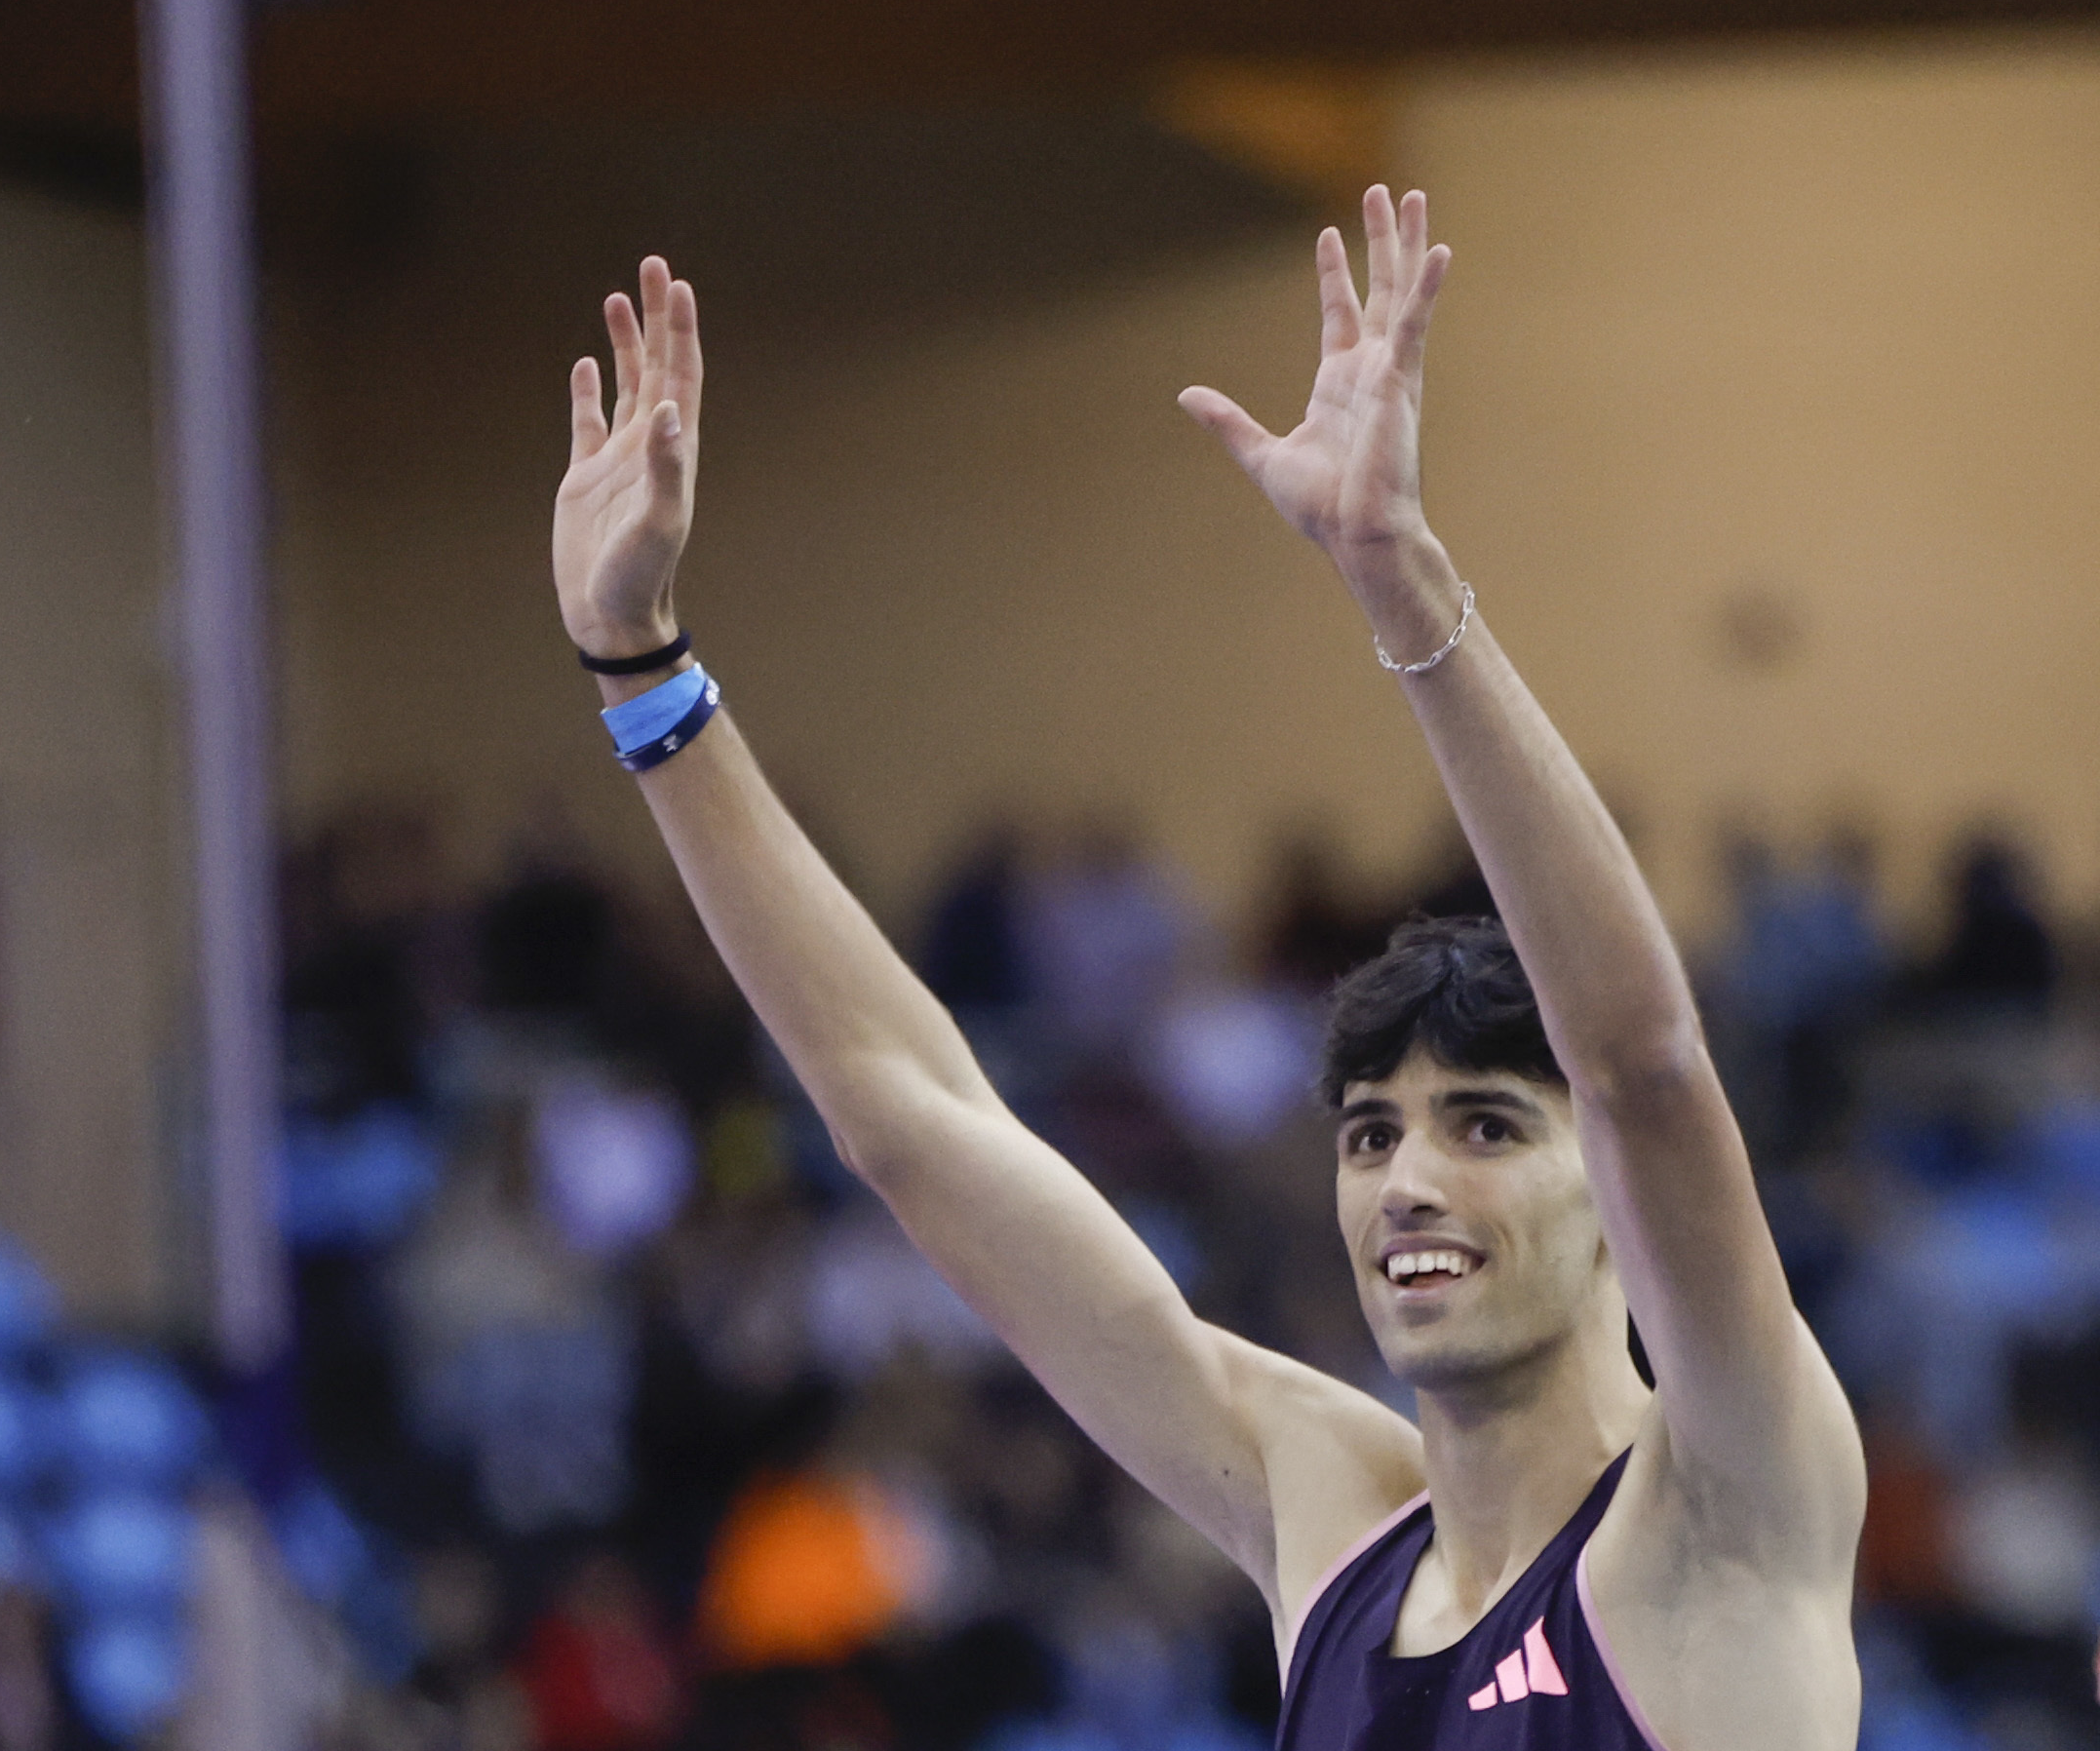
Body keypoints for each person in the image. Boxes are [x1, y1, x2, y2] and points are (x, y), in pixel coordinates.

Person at [545, 191, 1862, 1748]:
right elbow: (909, 1121)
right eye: (1371, 1134)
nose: (1407, 1182)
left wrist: (1399, 579)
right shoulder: (1332, 1518)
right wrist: (643, 674)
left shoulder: (1726, 1508)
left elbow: (1642, 1064)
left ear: (1612, 1202)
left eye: (1488, 1125)